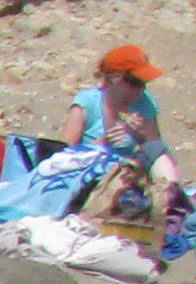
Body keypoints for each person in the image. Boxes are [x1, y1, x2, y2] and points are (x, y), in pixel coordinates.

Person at [64, 45, 180, 223]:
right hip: (95, 178)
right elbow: (62, 156)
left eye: (144, 84)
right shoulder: (87, 103)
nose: (141, 90)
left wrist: (140, 136)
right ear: (115, 79)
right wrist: (103, 143)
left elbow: (156, 152)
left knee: (156, 148)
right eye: (135, 83)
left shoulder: (145, 103)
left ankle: (168, 199)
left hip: (131, 177)